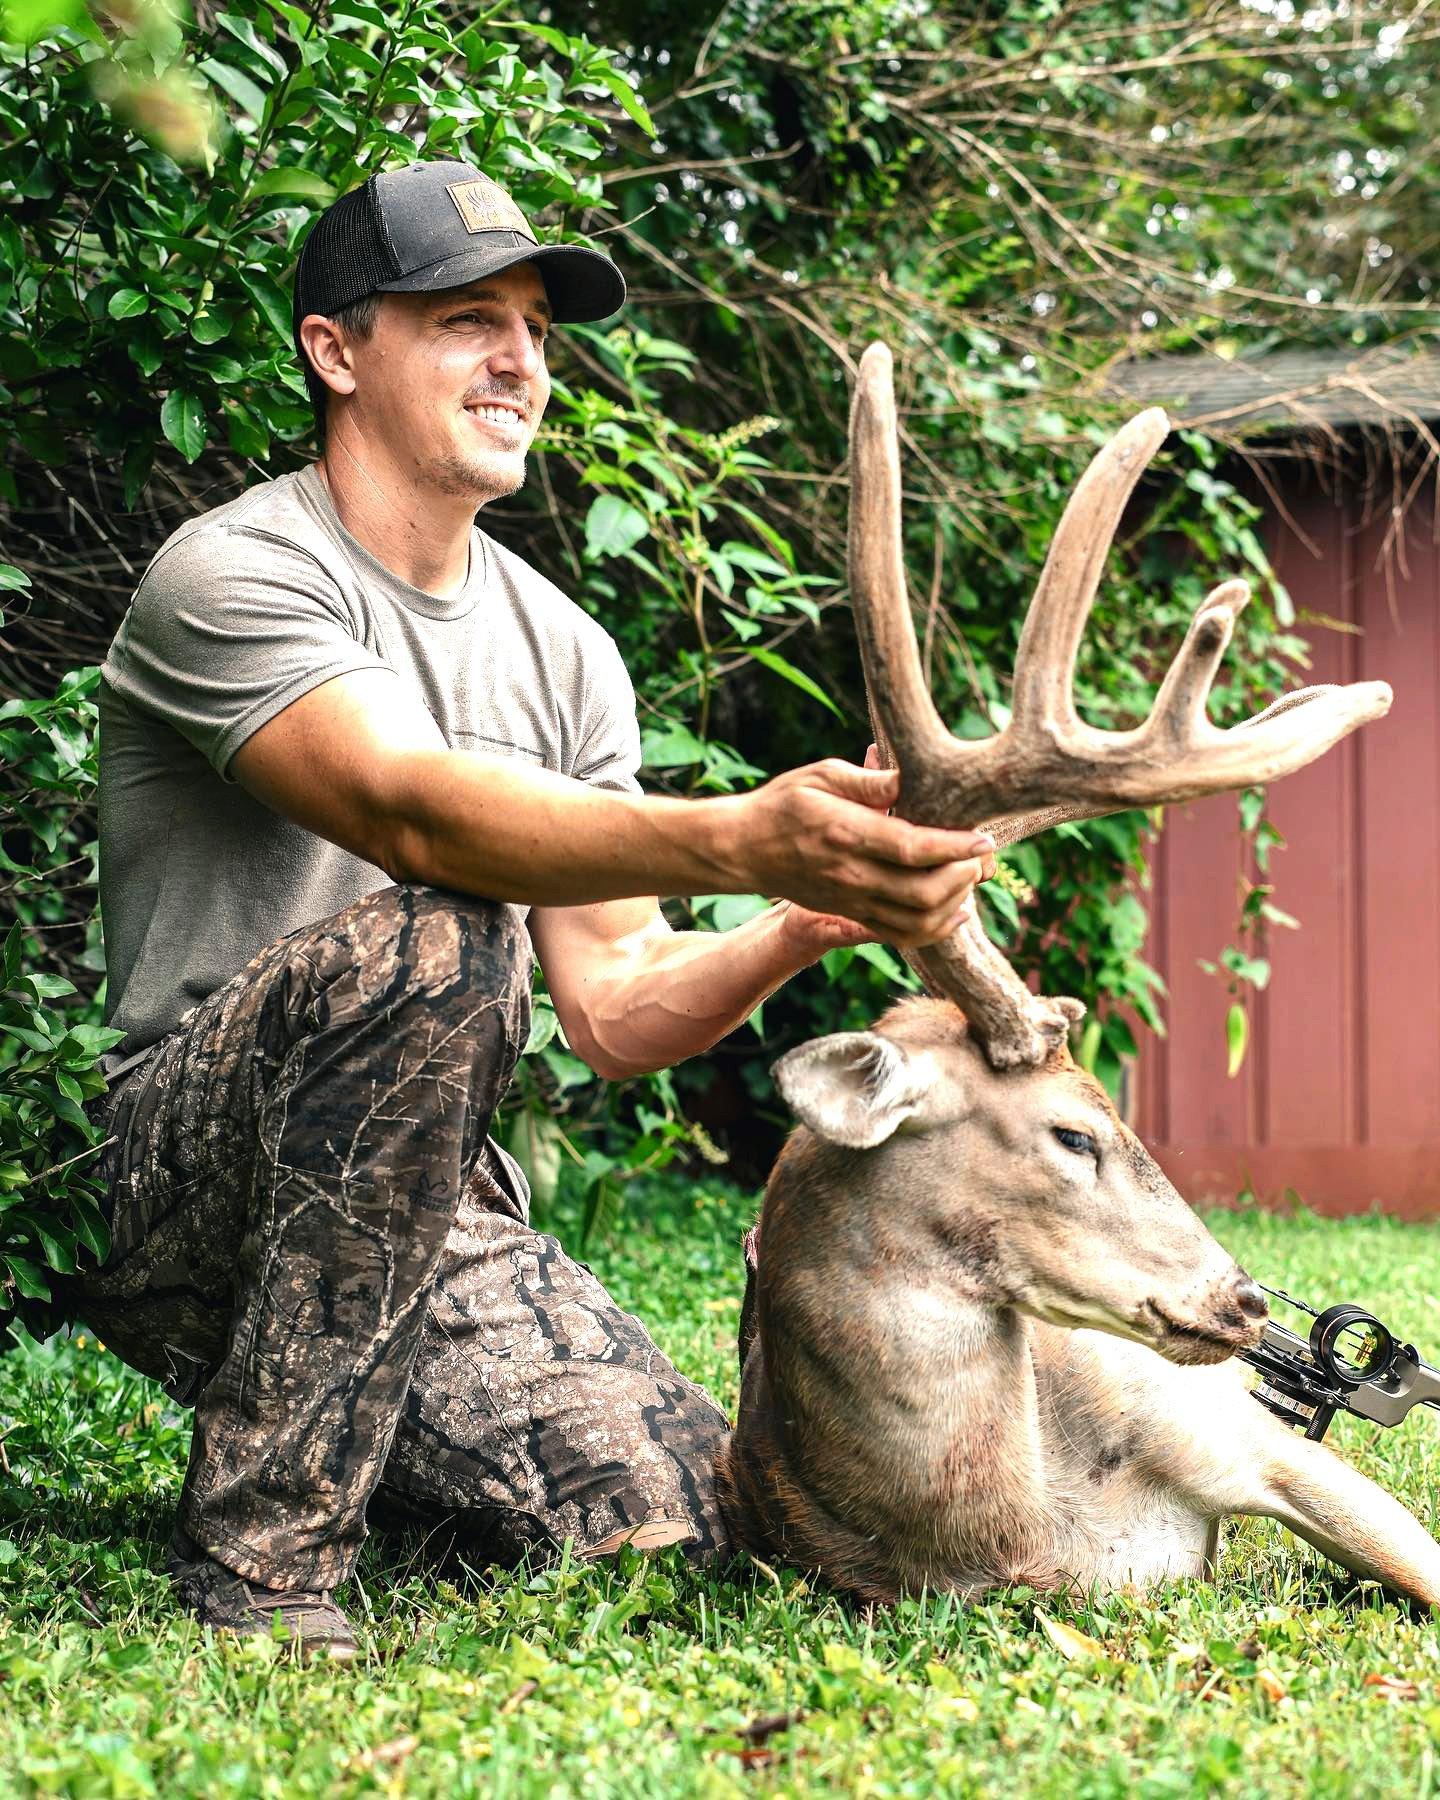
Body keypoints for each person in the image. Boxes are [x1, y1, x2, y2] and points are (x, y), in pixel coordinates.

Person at [63, 160, 994, 1660]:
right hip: (177, 1173)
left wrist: (798, 920)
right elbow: (409, 809)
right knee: (447, 928)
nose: (521, 361)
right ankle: (265, 1564)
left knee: (688, 1516)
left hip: (408, 1211)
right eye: (466, 320)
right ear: (336, 349)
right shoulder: (234, 572)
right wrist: (744, 834)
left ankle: (388, 1451)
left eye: (539, 330)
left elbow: (616, 1009)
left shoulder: (564, 651)